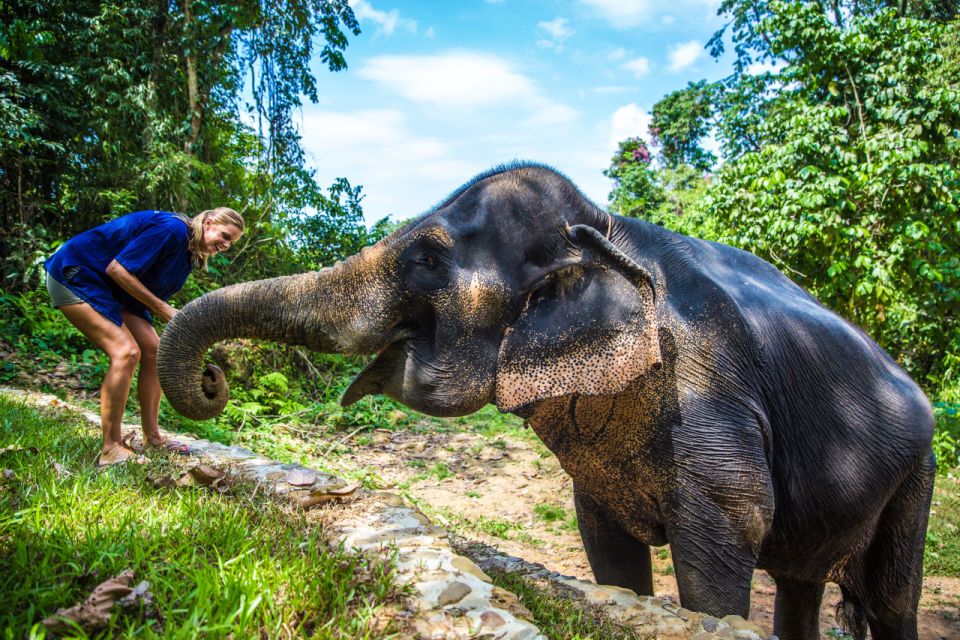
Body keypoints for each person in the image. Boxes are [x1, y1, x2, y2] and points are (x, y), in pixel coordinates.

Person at [44, 207, 245, 467]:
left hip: (114, 293)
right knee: (126, 352)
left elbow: (142, 289)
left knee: (155, 352)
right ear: (208, 222)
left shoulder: (188, 254)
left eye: (232, 242)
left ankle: (153, 438)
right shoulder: (171, 230)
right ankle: (111, 448)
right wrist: (163, 309)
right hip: (75, 275)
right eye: (225, 235)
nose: (227, 244)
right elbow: (117, 269)